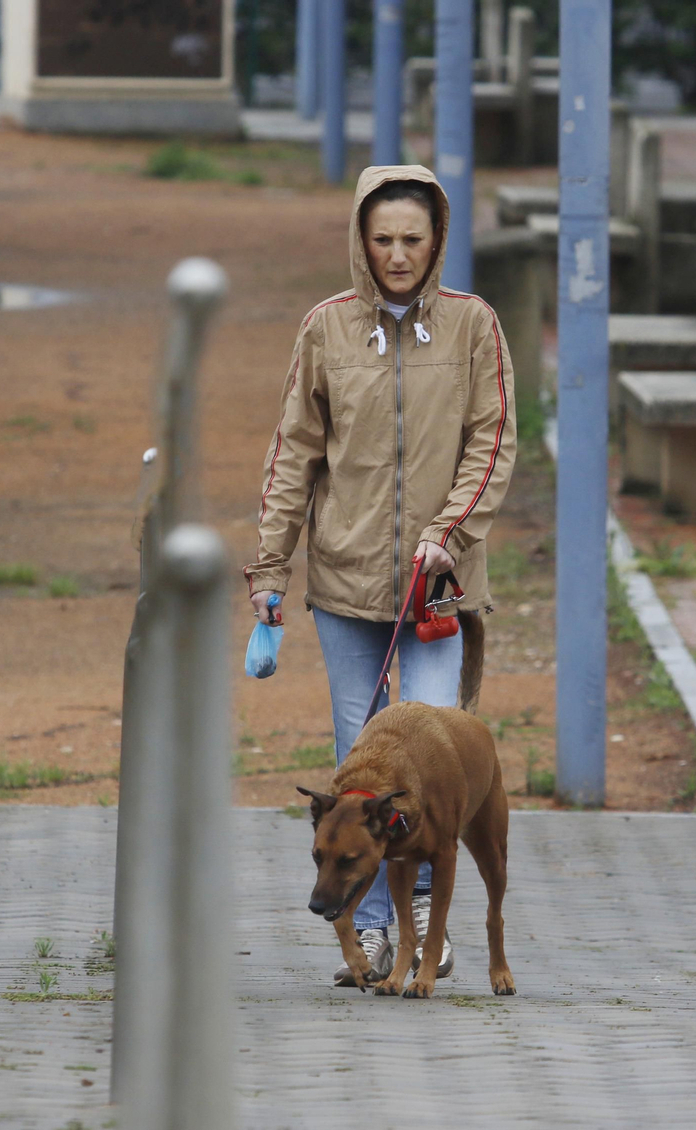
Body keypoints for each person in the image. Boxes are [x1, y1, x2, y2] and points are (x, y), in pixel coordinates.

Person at [244, 165, 516, 987]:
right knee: (353, 761)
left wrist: (448, 534)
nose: (398, 255)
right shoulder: (324, 329)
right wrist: (269, 568)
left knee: (426, 770)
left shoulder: (474, 326)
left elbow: (493, 438)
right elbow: (294, 451)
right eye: (383, 238)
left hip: (435, 586)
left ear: (437, 242)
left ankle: (426, 934)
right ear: (361, 241)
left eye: (414, 239)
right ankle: (366, 931)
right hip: (343, 575)